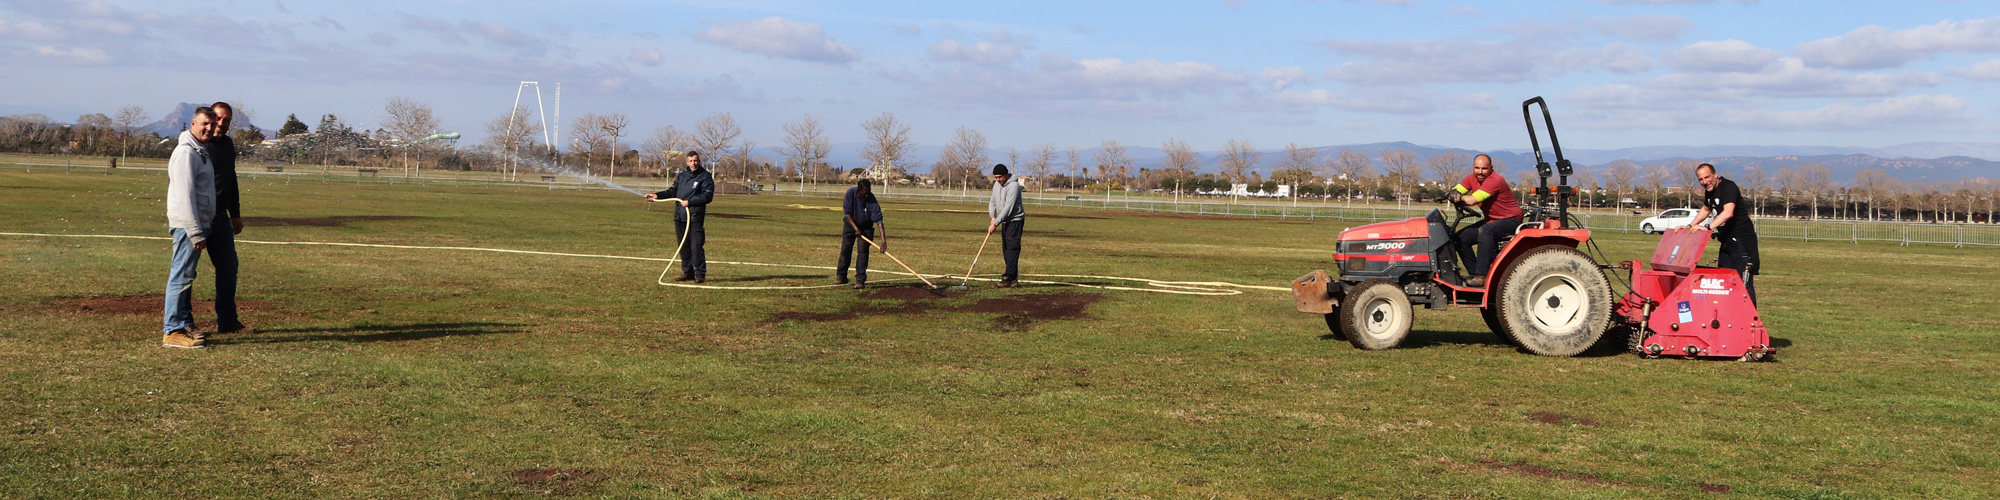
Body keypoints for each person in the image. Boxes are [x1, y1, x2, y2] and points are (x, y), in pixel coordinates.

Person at [162, 106, 219, 348]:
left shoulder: (199, 152)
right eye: (204, 123)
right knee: (181, 277)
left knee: (187, 276)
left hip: (196, 224)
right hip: (187, 226)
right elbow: (184, 197)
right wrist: (195, 231)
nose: (209, 128)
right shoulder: (186, 153)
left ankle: (182, 323)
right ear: (192, 124)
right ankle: (172, 331)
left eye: (212, 124)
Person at [1679, 162, 1760, 305]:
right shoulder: (1710, 191)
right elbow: (1706, 208)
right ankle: (1729, 317)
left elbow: (1728, 212)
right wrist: (1690, 225)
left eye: (1707, 177)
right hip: (1726, 241)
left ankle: (1751, 322)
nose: (1705, 182)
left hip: (1741, 241)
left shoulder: (1728, 187)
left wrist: (1707, 227)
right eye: (1701, 179)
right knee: (1724, 280)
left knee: (1743, 282)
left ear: (1715, 175)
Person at [205, 102, 252, 335]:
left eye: (227, 120)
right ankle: (183, 324)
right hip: (199, 218)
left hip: (221, 218)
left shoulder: (227, 144)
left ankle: (227, 321)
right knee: (186, 273)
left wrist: (235, 214)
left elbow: (231, 179)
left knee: (228, 268)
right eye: (219, 119)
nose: (222, 124)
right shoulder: (197, 144)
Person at [1450, 154, 1523, 288]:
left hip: (1511, 220)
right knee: (1460, 238)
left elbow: (1472, 200)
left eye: (1484, 168)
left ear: (1491, 168)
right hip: (1492, 220)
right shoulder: (1472, 178)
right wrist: (1449, 194)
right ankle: (1473, 274)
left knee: (1485, 231)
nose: (1480, 171)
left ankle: (1482, 276)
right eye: (1477, 168)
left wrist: (1456, 197)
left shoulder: (1495, 180)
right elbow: (1458, 190)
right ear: (1473, 167)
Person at [645, 151, 715, 283]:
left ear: (699, 161)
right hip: (680, 216)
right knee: (683, 246)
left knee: (696, 245)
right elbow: (672, 191)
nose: (693, 163)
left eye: (695, 160)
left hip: (694, 217)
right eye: (690, 161)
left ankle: (700, 274)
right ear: (687, 162)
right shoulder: (682, 176)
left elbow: (707, 196)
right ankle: (687, 273)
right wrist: (657, 195)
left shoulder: (705, 177)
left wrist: (690, 202)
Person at [835, 179, 887, 289]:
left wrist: (883, 241)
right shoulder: (851, 193)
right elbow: (848, 213)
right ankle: (841, 276)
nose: (867, 195)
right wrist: (856, 229)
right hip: (850, 224)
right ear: (859, 190)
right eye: (865, 193)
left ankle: (860, 280)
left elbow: (879, 221)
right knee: (846, 249)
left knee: (863, 251)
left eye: (868, 193)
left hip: (866, 227)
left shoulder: (872, 199)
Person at [987, 164, 1026, 288]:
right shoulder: (997, 185)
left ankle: (1008, 277)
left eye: (1000, 177)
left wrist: (996, 223)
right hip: (1004, 221)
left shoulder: (1014, 186)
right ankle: (1013, 279)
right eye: (996, 177)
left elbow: (1008, 208)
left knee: (1012, 248)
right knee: (1006, 249)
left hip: (1015, 220)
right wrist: (992, 217)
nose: (998, 180)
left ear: (1006, 175)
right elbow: (992, 201)